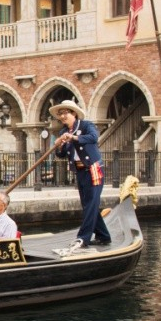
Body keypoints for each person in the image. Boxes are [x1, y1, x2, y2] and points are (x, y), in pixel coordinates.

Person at [51, 99, 111, 250]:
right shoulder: (62, 132)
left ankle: (83, 238)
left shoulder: (86, 125)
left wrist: (74, 138)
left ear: (74, 113)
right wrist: (58, 145)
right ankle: (104, 236)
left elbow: (93, 138)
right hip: (80, 171)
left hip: (93, 169)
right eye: (60, 114)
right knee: (88, 205)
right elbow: (62, 154)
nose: (62, 117)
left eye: (65, 113)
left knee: (91, 203)